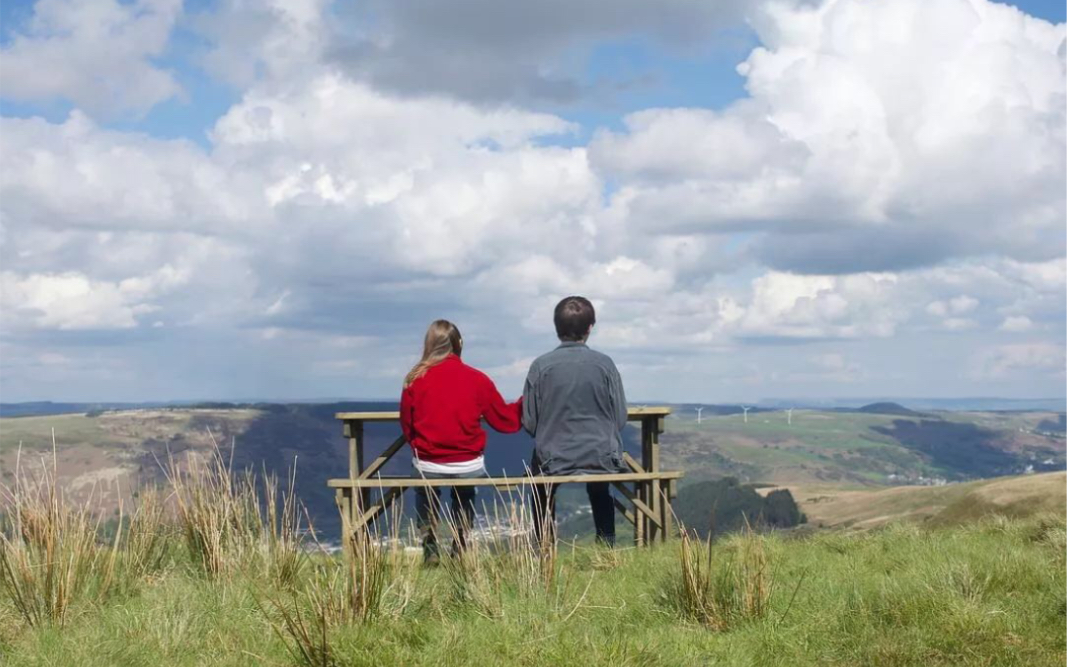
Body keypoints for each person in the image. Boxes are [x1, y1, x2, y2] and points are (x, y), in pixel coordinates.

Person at [400, 320, 523, 563]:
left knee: (425, 492)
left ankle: (430, 545)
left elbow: (407, 425)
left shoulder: (414, 379)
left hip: (428, 462)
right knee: (464, 493)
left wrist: (420, 446)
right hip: (467, 463)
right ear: (459, 345)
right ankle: (460, 543)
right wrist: (525, 402)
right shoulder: (477, 379)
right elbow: (504, 421)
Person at [522, 296, 628, 547]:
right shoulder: (605, 365)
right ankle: (607, 545)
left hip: (553, 458)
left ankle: (544, 547)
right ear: (590, 327)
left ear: (556, 327)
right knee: (601, 485)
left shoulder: (540, 366)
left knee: (541, 486)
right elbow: (620, 417)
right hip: (601, 455)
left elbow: (529, 422)